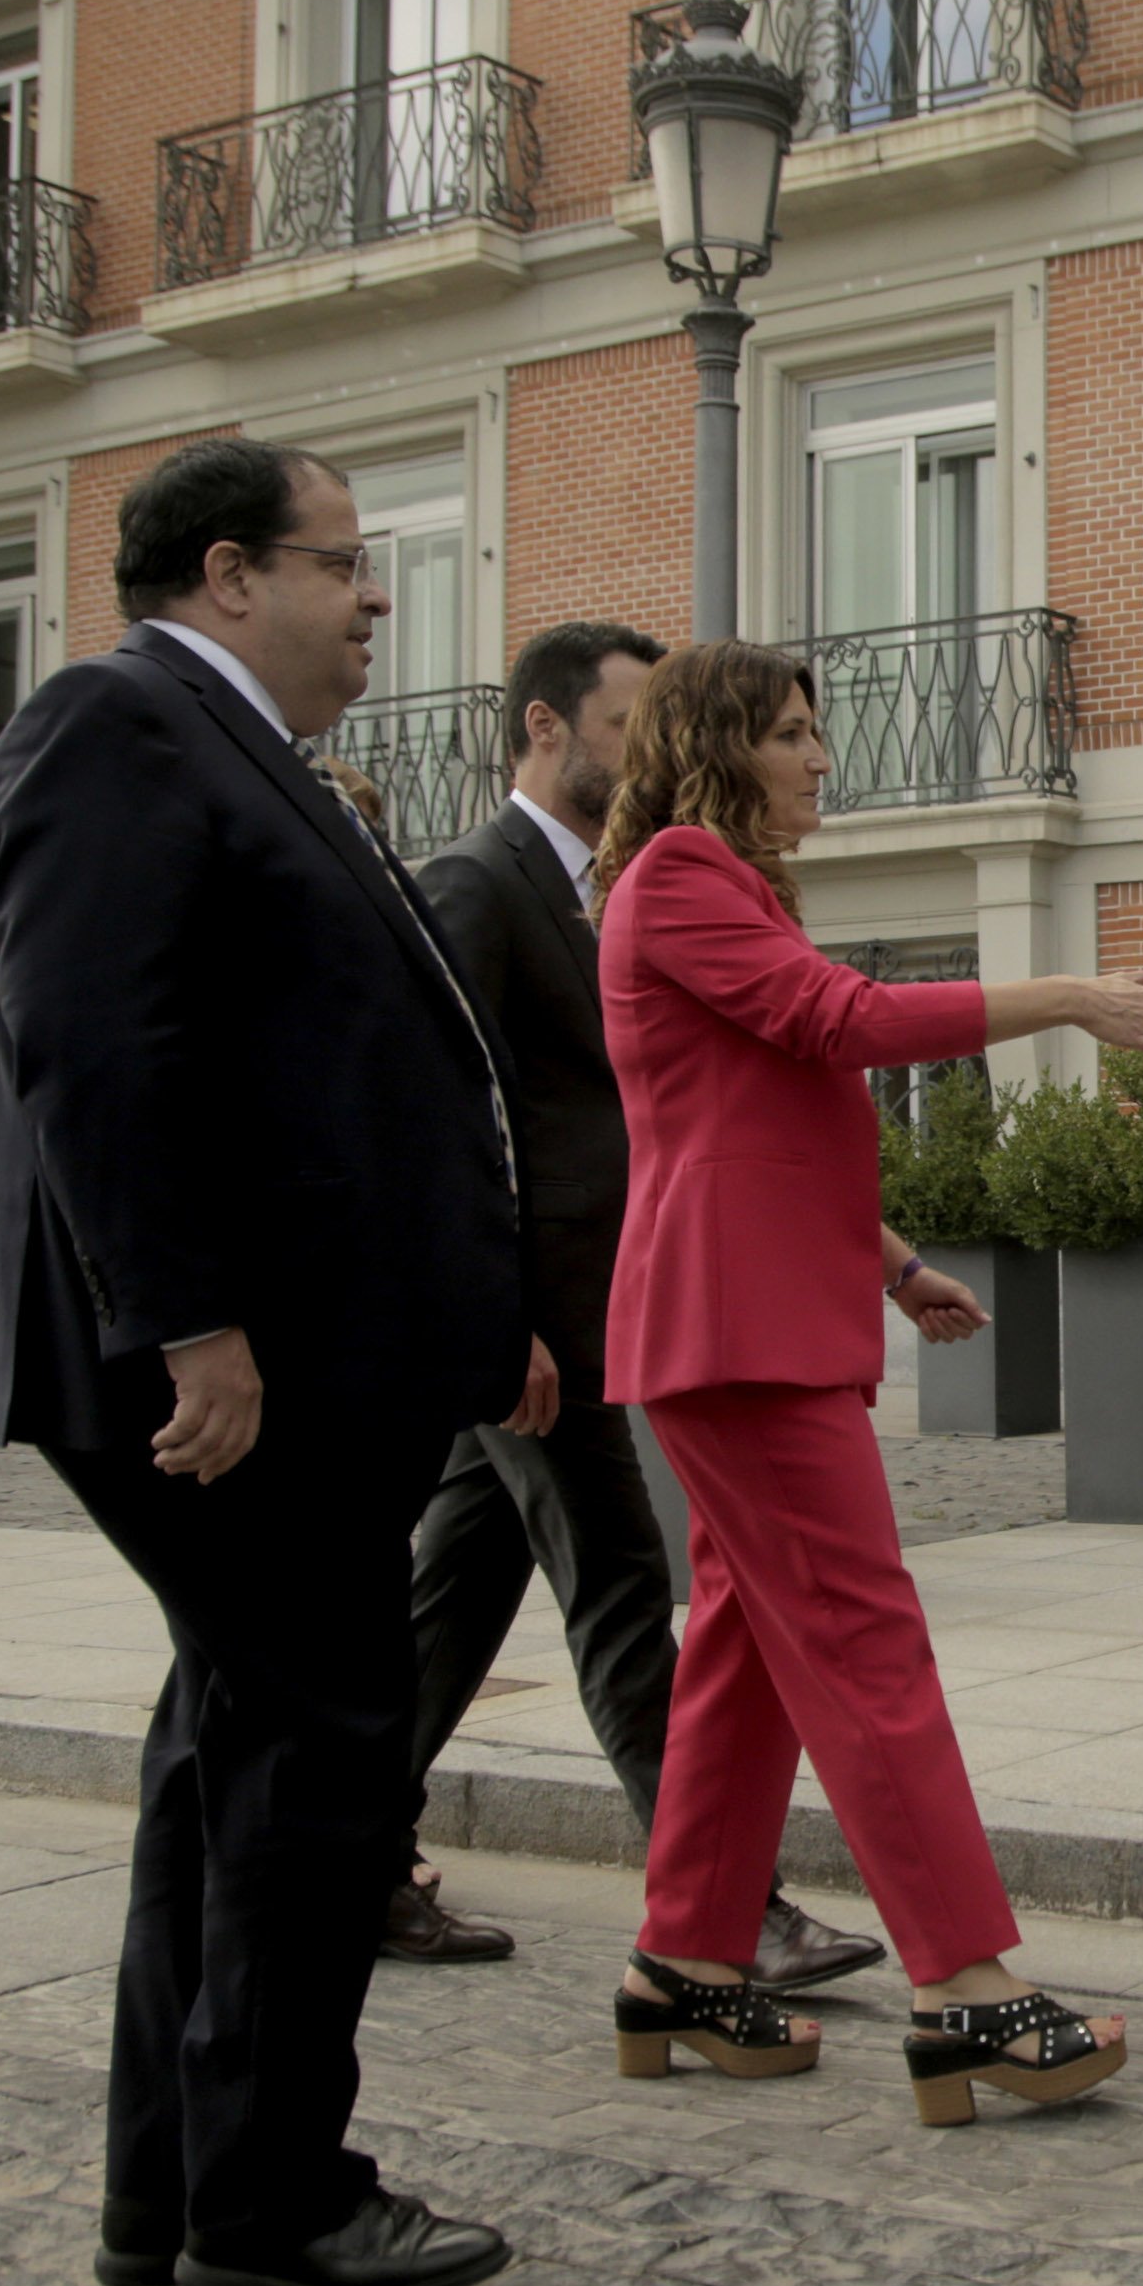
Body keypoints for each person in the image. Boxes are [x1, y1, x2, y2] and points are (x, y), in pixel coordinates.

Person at [0, 436, 540, 2286]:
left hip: (309, 1360)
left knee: (236, 1750)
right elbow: (90, 1045)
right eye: (346, 563)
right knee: (321, 1753)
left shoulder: (244, 757)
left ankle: (176, 2190)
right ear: (228, 573)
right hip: (231, 1372)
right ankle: (272, 2196)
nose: (375, 598)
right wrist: (185, 1318)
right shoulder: (112, 725)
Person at [595, 638, 1143, 2117]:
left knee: (748, 1659)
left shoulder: (728, 890)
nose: (822, 760)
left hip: (758, 1316)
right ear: (717, 745)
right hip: (732, 1335)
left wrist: (888, 1266)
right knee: (865, 1645)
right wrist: (1065, 993)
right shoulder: (680, 873)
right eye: (796, 735)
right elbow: (843, 1027)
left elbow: (755, 1118)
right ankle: (966, 1992)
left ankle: (683, 1968)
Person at [389, 622, 886, 1994]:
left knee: (456, 1587)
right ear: (546, 729)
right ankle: (734, 1917)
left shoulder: (624, 889)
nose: (646, 745)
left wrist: (888, 1259)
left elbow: (687, 1116)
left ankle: (346, 1840)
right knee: (619, 1582)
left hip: (619, 1300)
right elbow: (440, 1119)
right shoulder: (478, 886)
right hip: (541, 1324)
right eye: (623, 722)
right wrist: (499, 1323)